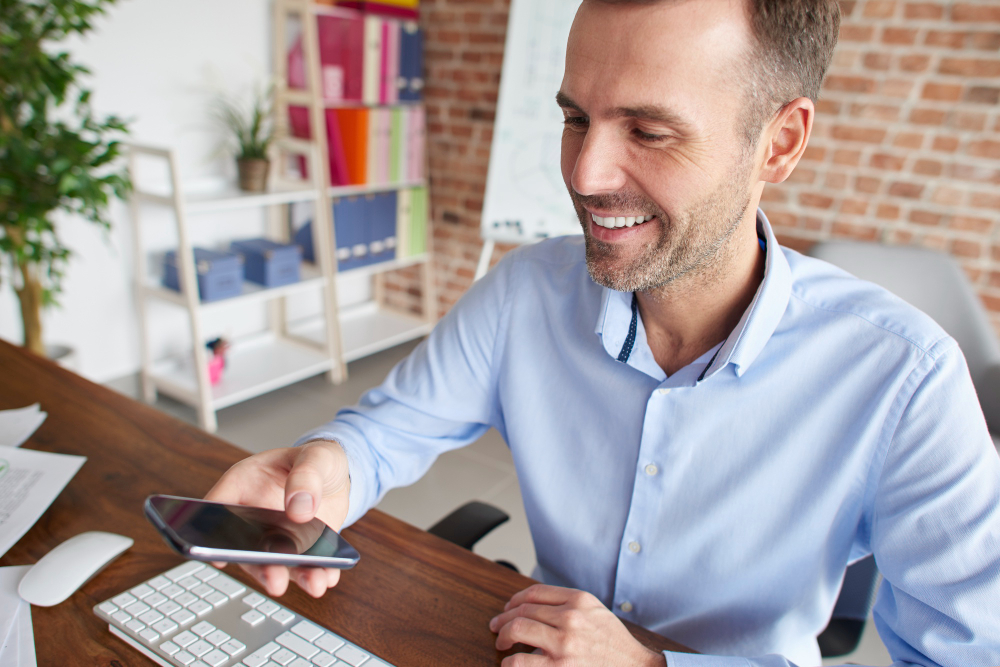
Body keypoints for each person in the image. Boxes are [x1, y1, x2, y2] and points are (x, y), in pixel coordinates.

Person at [207, 0, 1000, 665]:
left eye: (649, 131)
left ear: (779, 142)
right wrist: (322, 473)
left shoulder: (908, 379)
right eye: (575, 117)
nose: (585, 174)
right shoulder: (525, 293)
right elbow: (385, 435)